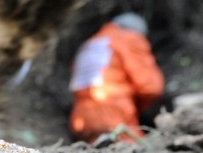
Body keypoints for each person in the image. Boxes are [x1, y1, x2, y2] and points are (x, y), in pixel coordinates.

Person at [68, 12, 165, 145]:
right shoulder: (128, 38)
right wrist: (139, 107)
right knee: (138, 152)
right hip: (115, 114)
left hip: (81, 118)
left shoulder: (92, 43)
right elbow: (151, 87)